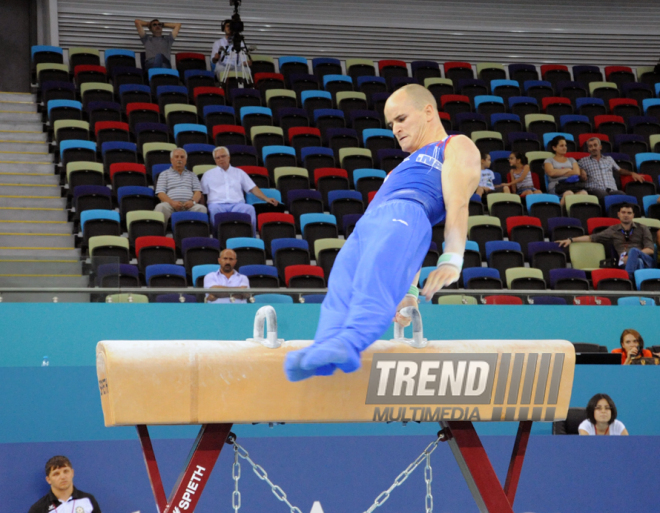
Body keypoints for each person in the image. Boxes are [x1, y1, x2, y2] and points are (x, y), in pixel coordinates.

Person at [284, 84, 481, 382]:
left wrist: (452, 258)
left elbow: (457, 203)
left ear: (429, 112)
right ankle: (324, 347)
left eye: (401, 119)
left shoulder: (455, 145)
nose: (395, 130)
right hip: (369, 225)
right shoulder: (401, 166)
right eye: (391, 124)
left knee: (374, 283)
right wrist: (410, 293)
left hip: (407, 212)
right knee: (341, 286)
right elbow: (406, 251)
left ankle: (348, 344)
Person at [556, 203, 654, 276]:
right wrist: (571, 240)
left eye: (629, 213)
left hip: (645, 259)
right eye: (623, 212)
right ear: (618, 214)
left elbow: (650, 249)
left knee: (635, 254)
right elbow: (592, 237)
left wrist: (632, 256)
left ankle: (628, 278)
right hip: (623, 261)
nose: (626, 215)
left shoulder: (642, 228)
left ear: (633, 215)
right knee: (637, 262)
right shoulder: (613, 230)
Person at [200, 146, 279, 231]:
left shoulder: (239, 172)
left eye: (223, 156)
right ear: (215, 160)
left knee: (250, 209)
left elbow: (252, 188)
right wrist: (202, 205)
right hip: (217, 205)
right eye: (217, 158)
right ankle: (217, 239)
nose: (221, 159)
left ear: (229, 157)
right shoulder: (208, 174)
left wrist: (266, 198)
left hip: (237, 205)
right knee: (214, 211)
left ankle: (251, 238)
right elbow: (201, 192)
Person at [28, 455, 101, 513]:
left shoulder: (88, 499)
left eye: (66, 471)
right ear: (48, 480)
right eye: (56, 474)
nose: (62, 477)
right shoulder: (39, 508)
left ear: (72, 473)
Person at [578, 137, 643, 201]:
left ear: (600, 147)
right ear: (588, 149)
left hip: (612, 190)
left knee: (623, 196)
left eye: (595, 145)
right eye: (590, 146)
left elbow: (620, 170)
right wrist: (581, 171)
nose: (593, 148)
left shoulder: (609, 159)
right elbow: (576, 170)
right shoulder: (583, 161)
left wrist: (632, 173)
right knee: (603, 196)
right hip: (594, 189)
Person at [154, 148, 208, 226]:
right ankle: (159, 235)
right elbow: (160, 193)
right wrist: (172, 203)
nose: (179, 159)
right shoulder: (164, 174)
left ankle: (196, 234)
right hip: (170, 205)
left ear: (185, 160)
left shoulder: (192, 175)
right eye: (177, 157)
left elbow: (198, 192)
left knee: (201, 209)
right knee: (160, 207)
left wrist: (192, 202)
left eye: (182, 157)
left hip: (189, 205)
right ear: (171, 160)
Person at [543, 135, 588, 206]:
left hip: (572, 185)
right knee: (568, 193)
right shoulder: (549, 160)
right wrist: (568, 169)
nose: (565, 148)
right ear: (554, 148)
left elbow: (576, 172)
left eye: (565, 145)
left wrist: (558, 171)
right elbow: (551, 173)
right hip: (556, 186)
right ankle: (560, 212)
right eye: (561, 146)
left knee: (584, 193)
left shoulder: (571, 160)